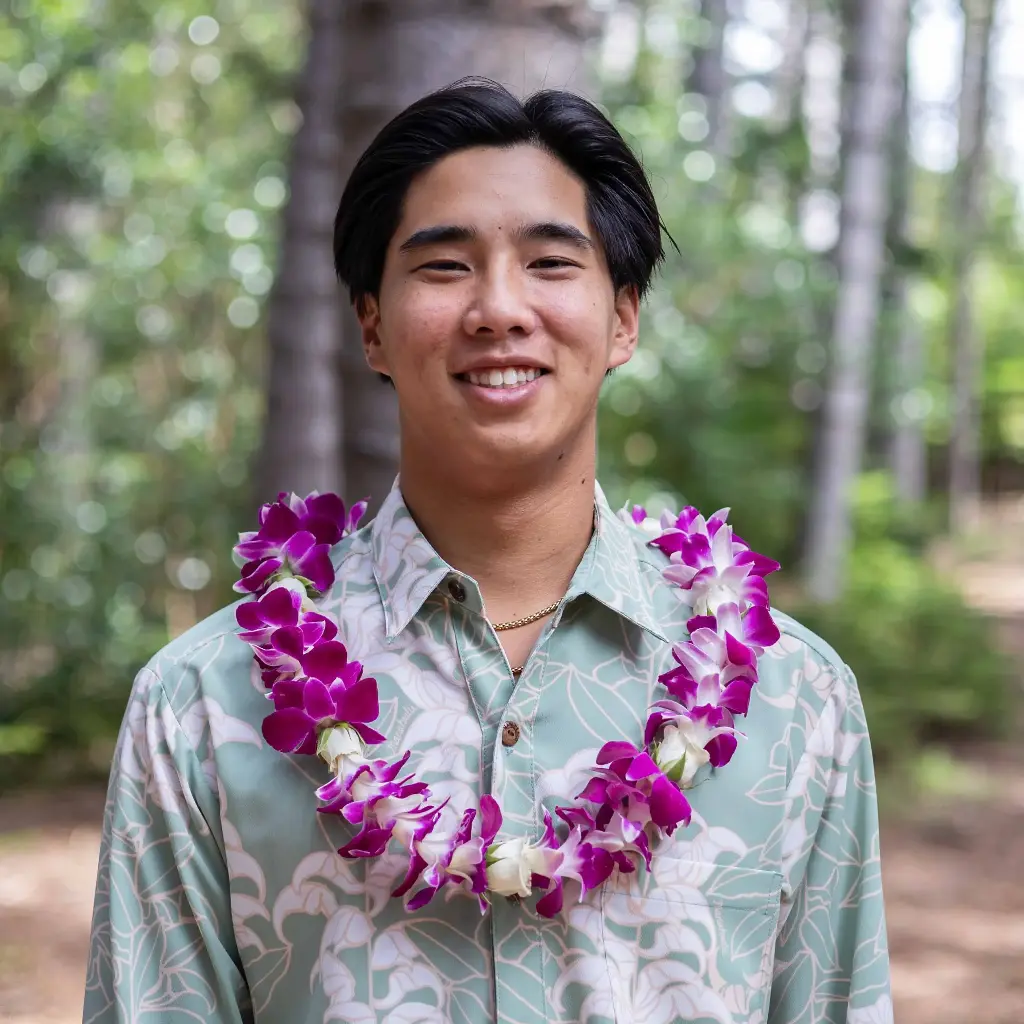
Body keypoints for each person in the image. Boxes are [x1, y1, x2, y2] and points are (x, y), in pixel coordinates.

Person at [84, 79, 892, 1024]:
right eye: (444, 267)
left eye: (552, 262)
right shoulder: (203, 704)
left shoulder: (797, 701)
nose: (500, 309)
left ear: (623, 317)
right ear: (372, 324)